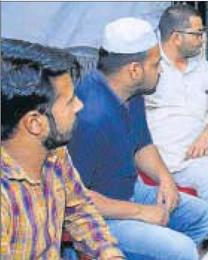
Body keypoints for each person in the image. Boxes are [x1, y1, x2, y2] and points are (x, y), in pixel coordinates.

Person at [67, 17, 208, 260]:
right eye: (156, 64)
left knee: (201, 216)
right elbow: (75, 199)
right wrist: (141, 212)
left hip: (128, 190)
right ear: (134, 70)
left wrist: (165, 179)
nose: (161, 70)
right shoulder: (89, 116)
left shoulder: (131, 92)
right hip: (96, 215)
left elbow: (142, 145)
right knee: (182, 250)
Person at [1, 38, 123, 259]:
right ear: (35, 123)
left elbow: (80, 211)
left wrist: (109, 254)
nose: (80, 105)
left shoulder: (53, 153)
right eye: (69, 101)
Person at [145, 4, 208, 216]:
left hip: (196, 157)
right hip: (159, 157)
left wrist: (207, 134)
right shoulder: (148, 66)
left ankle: (207, 241)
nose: (202, 38)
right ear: (176, 37)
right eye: (197, 34)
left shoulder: (200, 64)